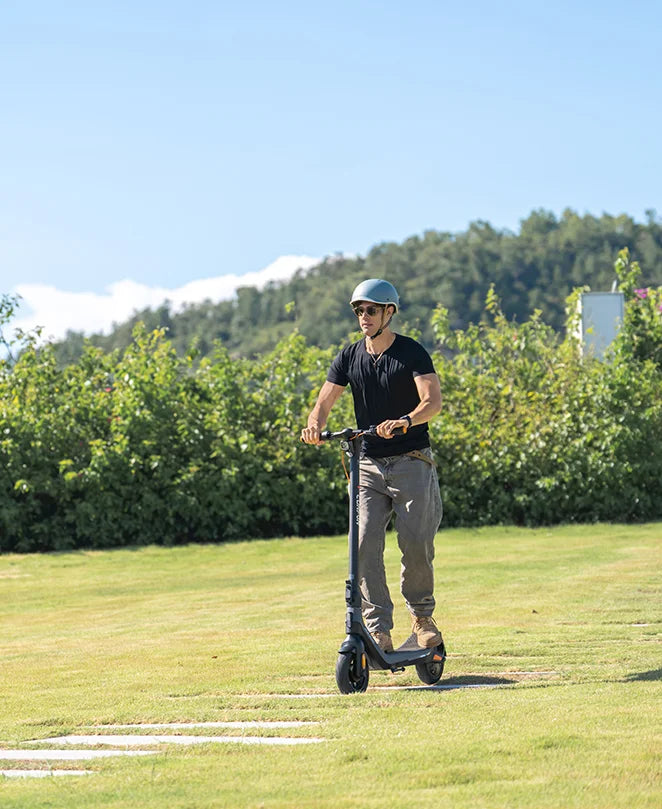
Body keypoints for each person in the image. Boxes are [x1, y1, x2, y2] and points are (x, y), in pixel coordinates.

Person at [301, 279, 444, 653]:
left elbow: (432, 401)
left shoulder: (411, 353)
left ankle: (422, 618)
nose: (364, 317)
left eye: (371, 310)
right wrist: (315, 423)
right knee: (362, 543)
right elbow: (326, 399)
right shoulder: (349, 356)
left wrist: (407, 420)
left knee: (415, 543)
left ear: (389, 312)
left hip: (412, 461)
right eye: (359, 311)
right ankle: (378, 628)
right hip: (367, 464)